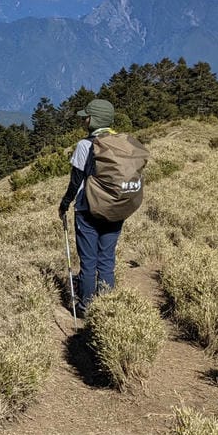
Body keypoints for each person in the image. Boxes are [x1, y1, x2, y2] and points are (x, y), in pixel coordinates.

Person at [58, 98, 123, 313]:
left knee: (88, 262)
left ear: (94, 120)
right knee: (106, 261)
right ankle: (107, 309)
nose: (83, 120)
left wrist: (64, 204)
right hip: (115, 209)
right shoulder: (122, 142)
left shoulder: (85, 145)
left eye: (86, 117)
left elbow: (75, 181)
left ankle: (86, 306)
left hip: (87, 210)